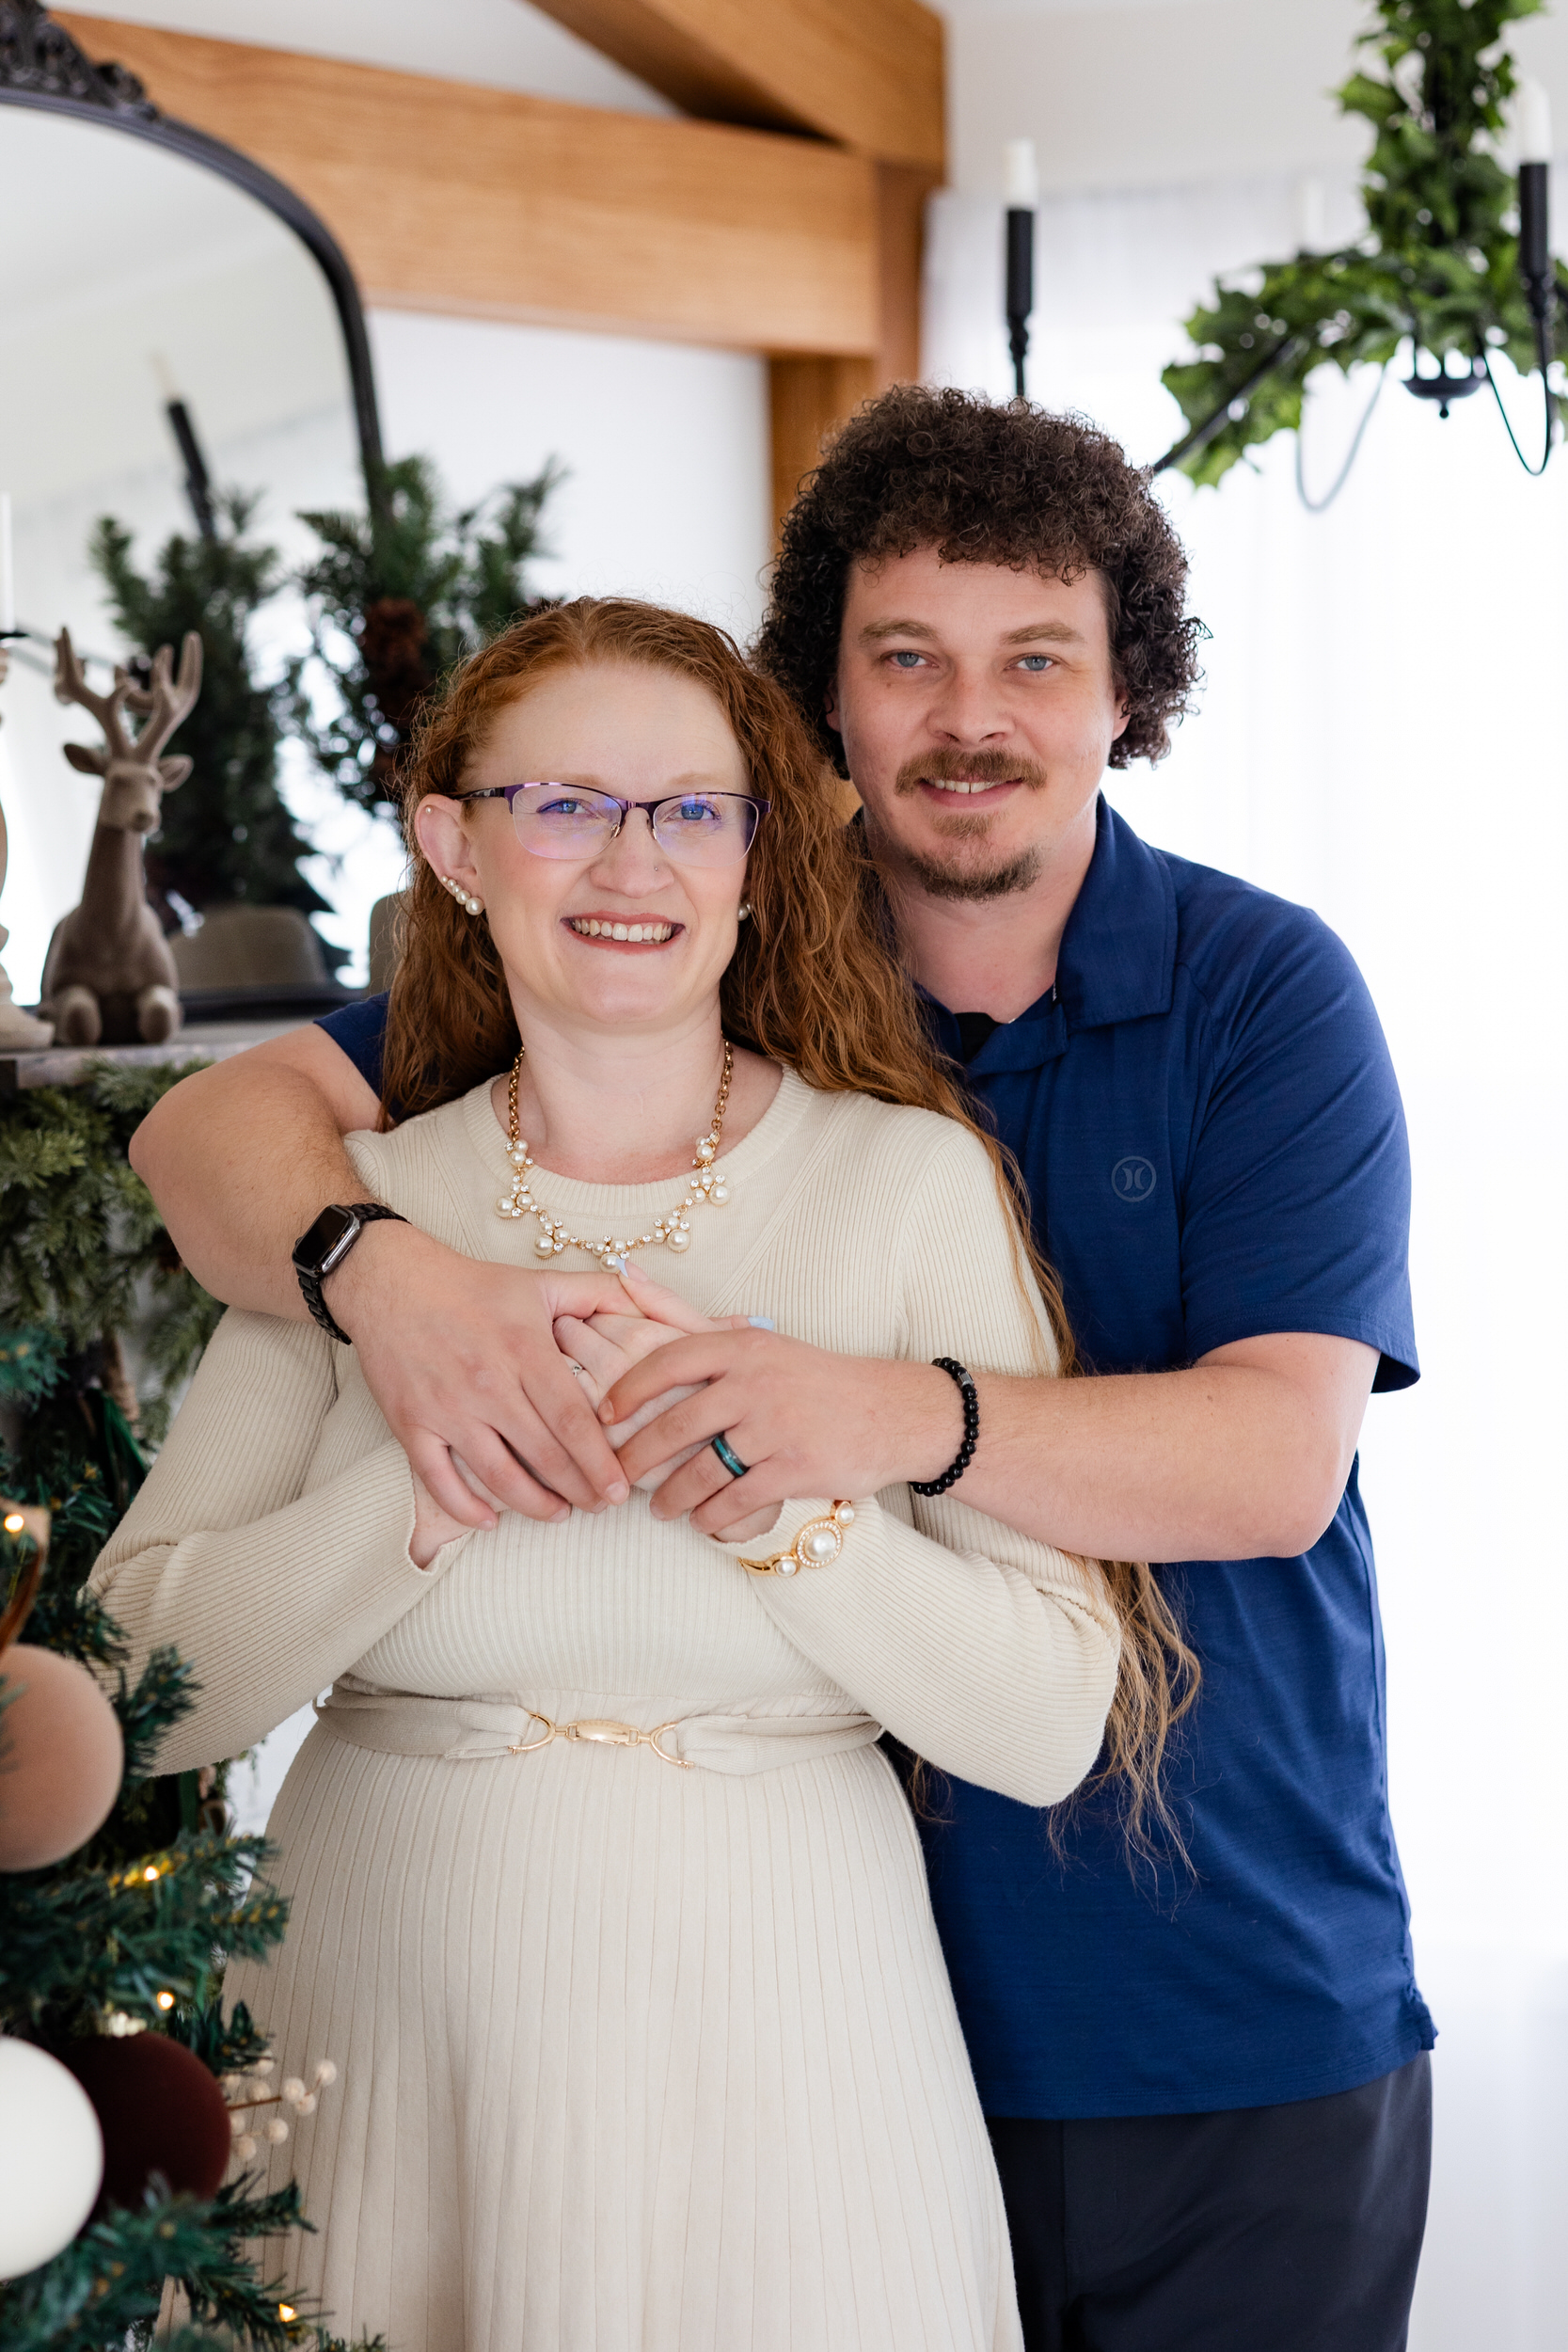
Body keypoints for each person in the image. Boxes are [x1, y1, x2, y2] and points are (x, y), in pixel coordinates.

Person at [132, 392, 1432, 2351]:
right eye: (905, 657)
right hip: (855, 1977)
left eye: (1035, 661)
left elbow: (1272, 1465)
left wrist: (870, 1412)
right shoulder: (660, 935)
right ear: (823, 715)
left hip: (1207, 1974)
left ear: (1125, 694)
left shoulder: (1259, 992)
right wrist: (391, 1285)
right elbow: (207, 1135)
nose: (968, 717)